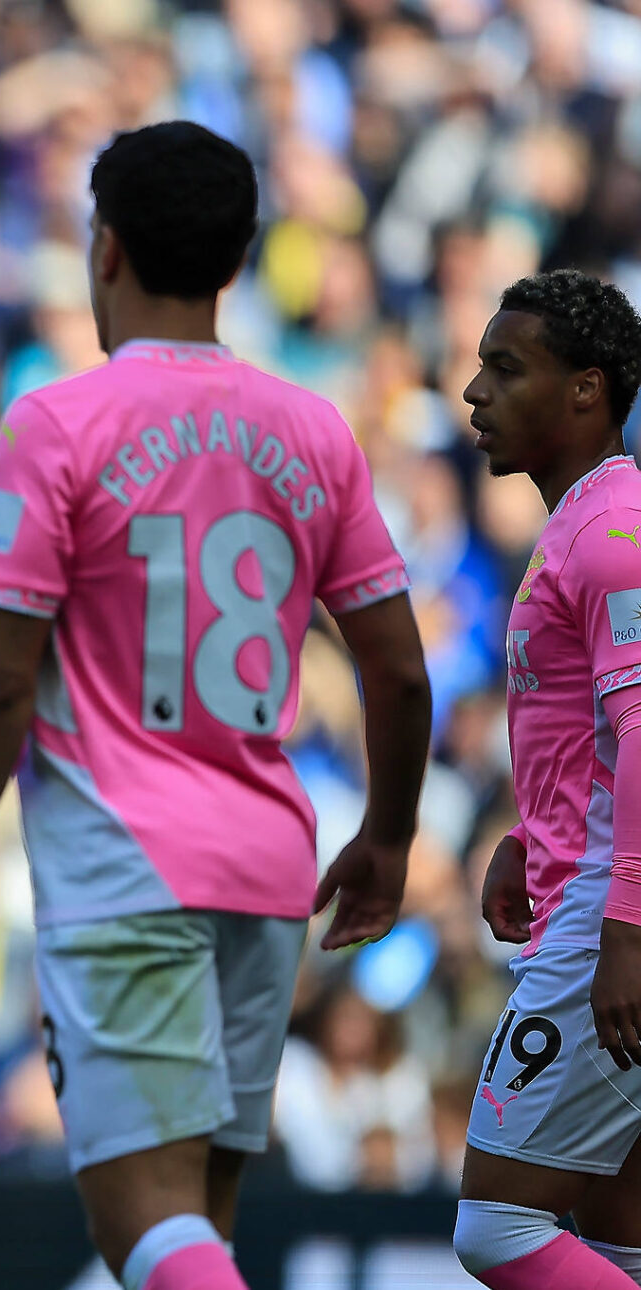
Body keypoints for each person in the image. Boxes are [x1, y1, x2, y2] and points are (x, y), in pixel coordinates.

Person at [0, 121, 428, 1290]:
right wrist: (389, 835)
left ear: (103, 249)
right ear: (238, 258)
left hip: (122, 864)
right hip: (266, 867)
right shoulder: (313, 427)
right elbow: (397, 670)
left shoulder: (54, 423)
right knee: (200, 1225)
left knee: (138, 1222)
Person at [454, 269, 641, 1289]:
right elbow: (599, 737)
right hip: (598, 892)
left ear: (586, 390)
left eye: (505, 368)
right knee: (620, 1237)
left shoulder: (614, 535)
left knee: (498, 1227)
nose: (474, 392)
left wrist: (623, 931)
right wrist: (530, 833)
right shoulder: (582, 523)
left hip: (610, 923)